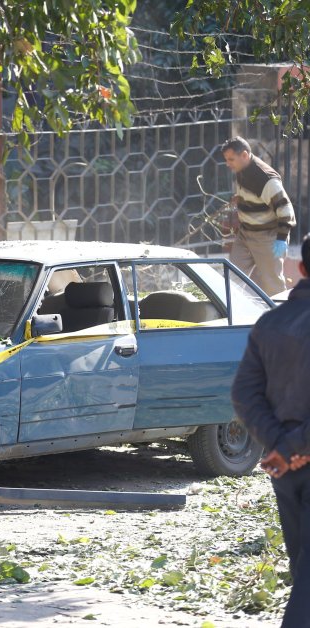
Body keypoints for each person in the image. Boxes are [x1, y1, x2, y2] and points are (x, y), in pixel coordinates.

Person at [231, 234, 310, 627]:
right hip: (292, 455)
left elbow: (244, 393)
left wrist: (279, 444)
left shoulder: (270, 323)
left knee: (302, 570)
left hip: (284, 467)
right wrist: (296, 445)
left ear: (301, 268)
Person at [221, 136, 295, 296]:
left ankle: (282, 319)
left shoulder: (267, 179)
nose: (228, 164)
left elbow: (286, 211)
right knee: (231, 278)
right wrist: (240, 199)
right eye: (226, 160)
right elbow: (254, 194)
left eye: (231, 159)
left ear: (245, 155)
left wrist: (281, 239)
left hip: (267, 238)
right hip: (245, 234)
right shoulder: (241, 169)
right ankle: (232, 318)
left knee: (273, 286)